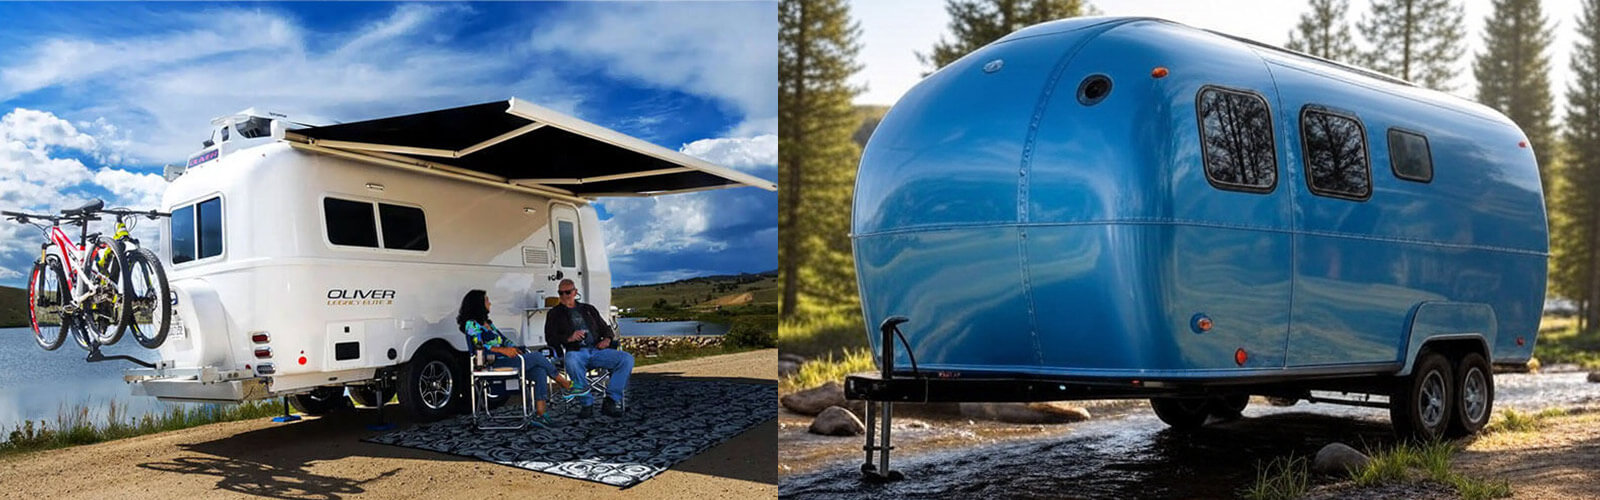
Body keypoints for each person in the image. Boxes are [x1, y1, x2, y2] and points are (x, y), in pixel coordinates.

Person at [458, 289, 574, 428]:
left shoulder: (488, 323)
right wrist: (503, 350)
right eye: (487, 300)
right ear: (478, 304)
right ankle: (563, 382)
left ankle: (541, 414)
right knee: (537, 357)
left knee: (539, 371)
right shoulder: (472, 325)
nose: (490, 303)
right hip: (490, 363)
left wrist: (515, 348)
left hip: (505, 359)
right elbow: (478, 348)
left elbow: (504, 340)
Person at [545, 279, 634, 418]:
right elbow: (550, 338)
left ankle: (611, 400)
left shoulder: (588, 309)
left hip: (596, 350)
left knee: (626, 359)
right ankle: (586, 403)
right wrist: (569, 337)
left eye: (567, 292)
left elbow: (606, 329)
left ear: (575, 292)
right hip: (574, 352)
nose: (564, 296)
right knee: (572, 360)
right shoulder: (554, 314)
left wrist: (607, 339)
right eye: (560, 293)